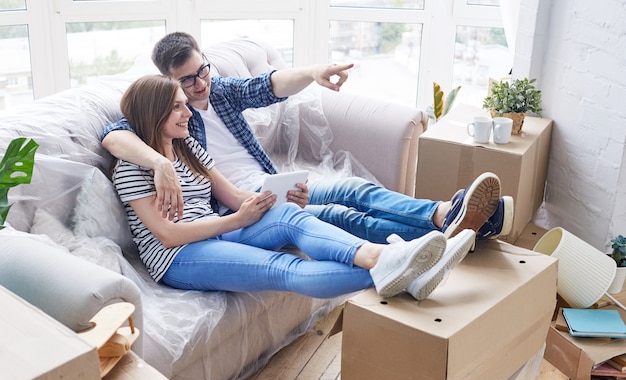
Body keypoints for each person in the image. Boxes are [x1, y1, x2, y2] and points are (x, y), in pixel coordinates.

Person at [102, 31, 512, 249]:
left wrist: (314, 72)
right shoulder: (168, 113)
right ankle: (450, 231)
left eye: (202, 70)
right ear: (168, 83)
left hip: (272, 180)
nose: (199, 84)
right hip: (244, 201)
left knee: (354, 189)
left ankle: (446, 216)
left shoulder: (220, 90)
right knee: (344, 216)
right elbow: (113, 135)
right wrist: (160, 164)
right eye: (187, 80)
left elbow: (268, 84)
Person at [112, 74, 477, 301]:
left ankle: (386, 260)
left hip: (217, 233)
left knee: (288, 214)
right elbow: (167, 235)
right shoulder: (131, 167)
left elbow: (233, 196)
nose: (189, 112)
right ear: (153, 113)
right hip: (179, 257)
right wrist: (236, 221)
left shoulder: (185, 145)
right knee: (283, 267)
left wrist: (274, 198)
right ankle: (402, 266)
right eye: (178, 107)